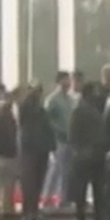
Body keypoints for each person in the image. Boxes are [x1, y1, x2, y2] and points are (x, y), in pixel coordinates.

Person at [68, 82, 109, 220]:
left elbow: (72, 135)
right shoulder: (84, 111)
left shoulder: (85, 110)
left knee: (90, 188)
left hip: (89, 154)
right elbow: (73, 134)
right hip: (90, 154)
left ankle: (87, 219)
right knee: (89, 188)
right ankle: (90, 219)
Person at [18, 84, 54, 220]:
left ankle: (32, 211)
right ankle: (29, 212)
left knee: (34, 183)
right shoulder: (28, 109)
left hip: (38, 149)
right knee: (31, 183)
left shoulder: (40, 111)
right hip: (32, 150)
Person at [42, 71, 74, 211]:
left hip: (69, 139)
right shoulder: (52, 100)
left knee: (67, 170)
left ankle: (64, 198)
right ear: (59, 81)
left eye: (69, 80)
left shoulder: (70, 99)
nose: (68, 83)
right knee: (56, 168)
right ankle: (47, 197)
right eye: (65, 80)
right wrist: (58, 130)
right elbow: (46, 119)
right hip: (57, 139)